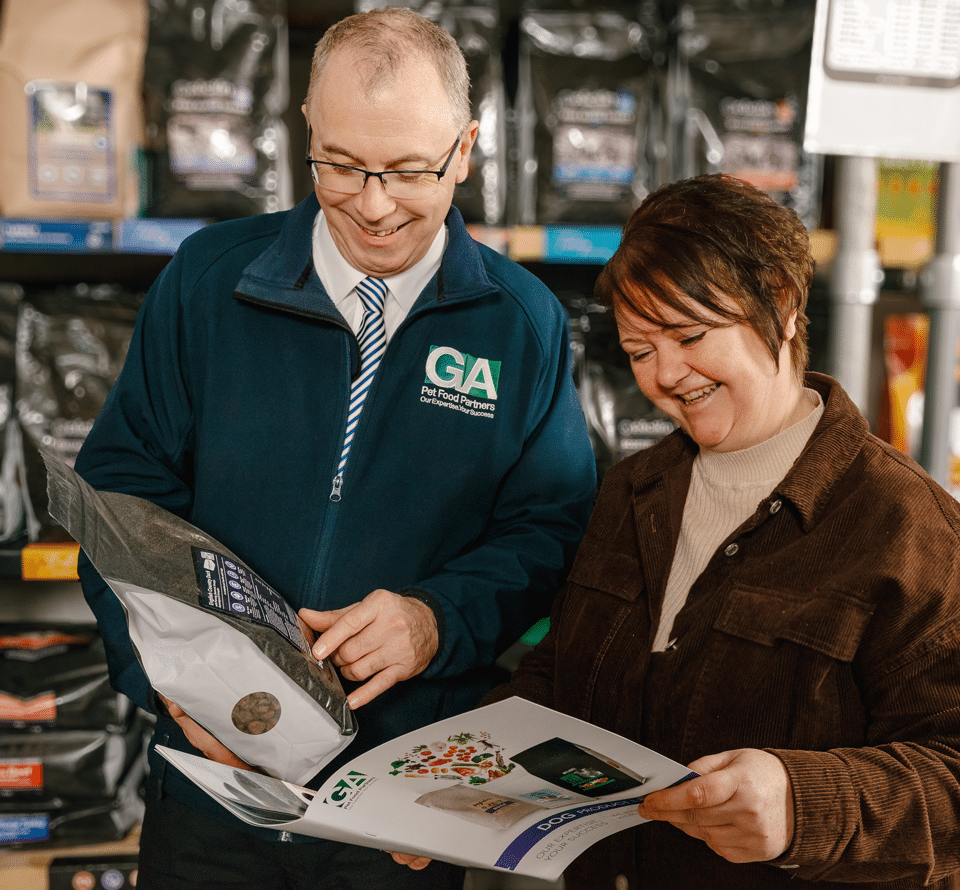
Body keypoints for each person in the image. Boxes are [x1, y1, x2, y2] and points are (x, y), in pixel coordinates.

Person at [73, 7, 596, 889]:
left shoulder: (523, 325)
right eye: (344, 167)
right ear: (306, 131)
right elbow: (118, 497)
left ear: (466, 150)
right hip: (211, 794)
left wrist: (437, 618)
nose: (376, 204)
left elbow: (549, 534)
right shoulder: (208, 280)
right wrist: (164, 684)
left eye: (408, 171)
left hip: (399, 816)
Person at [483, 173, 960, 889]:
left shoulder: (909, 529)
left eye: (689, 334)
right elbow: (565, 675)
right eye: (639, 349)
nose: (667, 374)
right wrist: (462, 784)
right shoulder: (630, 490)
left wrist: (802, 806)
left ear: (783, 302)